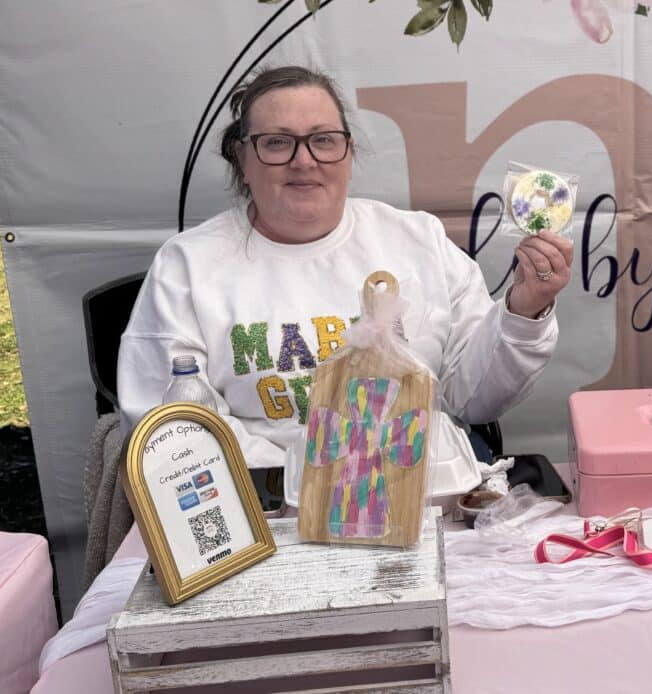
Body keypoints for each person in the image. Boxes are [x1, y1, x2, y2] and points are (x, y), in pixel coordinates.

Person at [116, 65, 573, 470]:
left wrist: (523, 311)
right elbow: (172, 426)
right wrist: (303, 478)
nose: (304, 161)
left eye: (323, 140)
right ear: (242, 158)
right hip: (263, 504)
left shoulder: (418, 240)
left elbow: (473, 400)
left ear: (348, 153)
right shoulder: (188, 265)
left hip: (421, 489)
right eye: (277, 143)